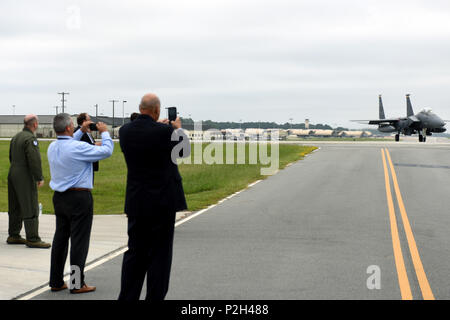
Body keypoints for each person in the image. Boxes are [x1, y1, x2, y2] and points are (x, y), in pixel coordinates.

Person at [118, 93, 190, 301]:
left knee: (135, 254)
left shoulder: (125, 131)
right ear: (157, 110)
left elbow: (146, 135)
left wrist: (162, 127)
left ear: (140, 108)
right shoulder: (166, 131)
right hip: (162, 203)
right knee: (160, 256)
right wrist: (177, 128)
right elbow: (183, 152)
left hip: (137, 202)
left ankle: (128, 296)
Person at [47, 113, 114, 294]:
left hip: (59, 198)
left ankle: (56, 280)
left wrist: (81, 131)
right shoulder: (78, 147)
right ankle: (76, 283)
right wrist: (105, 133)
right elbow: (106, 151)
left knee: (60, 239)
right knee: (79, 242)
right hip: (79, 198)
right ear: (69, 127)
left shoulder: (52, 147)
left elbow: (67, 142)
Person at [7, 114, 51, 248]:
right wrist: (39, 177)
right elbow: (34, 160)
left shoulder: (16, 137)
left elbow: (10, 156)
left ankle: (13, 235)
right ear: (35, 124)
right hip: (24, 175)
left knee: (15, 206)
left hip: (13, 172)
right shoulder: (30, 138)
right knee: (30, 204)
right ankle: (33, 238)